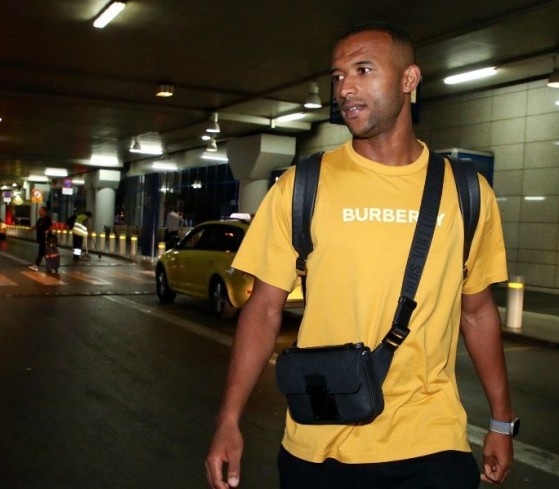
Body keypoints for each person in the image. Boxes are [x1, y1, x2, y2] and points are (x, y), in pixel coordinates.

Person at [206, 21, 516, 489]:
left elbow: (477, 312)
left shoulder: (467, 192)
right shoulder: (301, 187)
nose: (345, 88)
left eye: (363, 70)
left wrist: (501, 421)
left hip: (431, 443)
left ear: (409, 79)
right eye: (338, 76)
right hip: (320, 443)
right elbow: (264, 309)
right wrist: (229, 419)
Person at [28, 206, 53, 271]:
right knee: (44, 252)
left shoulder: (47, 219)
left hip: (45, 238)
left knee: (41, 252)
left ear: (44, 212)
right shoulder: (40, 219)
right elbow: (36, 226)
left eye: (40, 211)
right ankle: (50, 265)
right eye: (39, 211)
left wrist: (48, 231)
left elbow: (51, 226)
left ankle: (36, 265)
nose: (39, 212)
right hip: (40, 238)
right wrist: (30, 230)